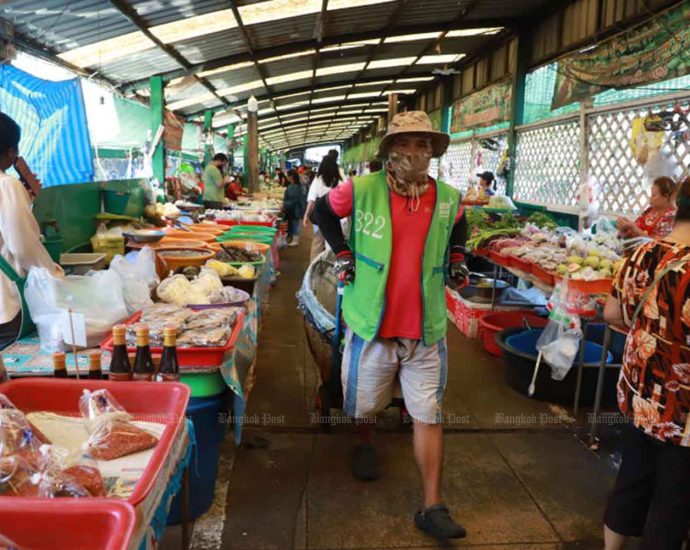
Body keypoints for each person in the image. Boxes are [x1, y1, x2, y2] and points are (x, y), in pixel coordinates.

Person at [314, 111, 470, 541]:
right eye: (406, 144)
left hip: (427, 329)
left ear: (432, 152)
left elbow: (460, 227)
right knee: (364, 403)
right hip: (372, 322)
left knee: (428, 415)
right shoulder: (361, 189)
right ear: (390, 150)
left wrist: (457, 258)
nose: (415, 152)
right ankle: (365, 441)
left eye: (423, 145)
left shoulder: (449, 198)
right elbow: (321, 213)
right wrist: (343, 253)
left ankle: (432, 506)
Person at [602, 176, 690, 550]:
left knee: (632, 479)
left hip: (639, 395)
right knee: (672, 503)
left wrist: (648, 333)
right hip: (682, 415)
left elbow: (611, 313)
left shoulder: (641, 253)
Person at [0, 113, 62, 350]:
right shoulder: (6, 184)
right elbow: (22, 246)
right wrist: (53, 275)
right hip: (5, 309)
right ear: (11, 152)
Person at [303, 155, 343, 261]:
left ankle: (314, 267)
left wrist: (306, 215)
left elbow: (311, 199)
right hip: (336, 214)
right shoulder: (340, 180)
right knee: (333, 242)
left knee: (317, 242)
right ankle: (331, 267)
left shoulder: (318, 179)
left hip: (320, 214)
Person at [283, 169, 304, 247]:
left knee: (295, 224)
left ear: (291, 176)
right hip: (293, 208)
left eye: (288, 176)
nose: (287, 177)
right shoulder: (293, 185)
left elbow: (293, 199)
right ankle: (292, 238)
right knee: (292, 223)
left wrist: (284, 205)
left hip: (295, 209)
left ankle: (295, 240)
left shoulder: (295, 187)